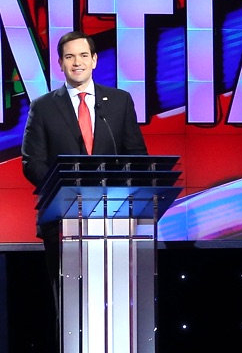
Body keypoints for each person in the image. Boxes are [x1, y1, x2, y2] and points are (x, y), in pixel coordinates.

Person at [21, 31, 148, 348]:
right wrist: (65, 188)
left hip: (114, 219)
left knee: (116, 304)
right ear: (60, 64)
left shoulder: (118, 102)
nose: (76, 62)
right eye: (69, 57)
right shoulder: (43, 107)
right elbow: (31, 162)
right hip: (63, 219)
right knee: (71, 308)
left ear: (94, 60)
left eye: (82, 56)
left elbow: (137, 156)